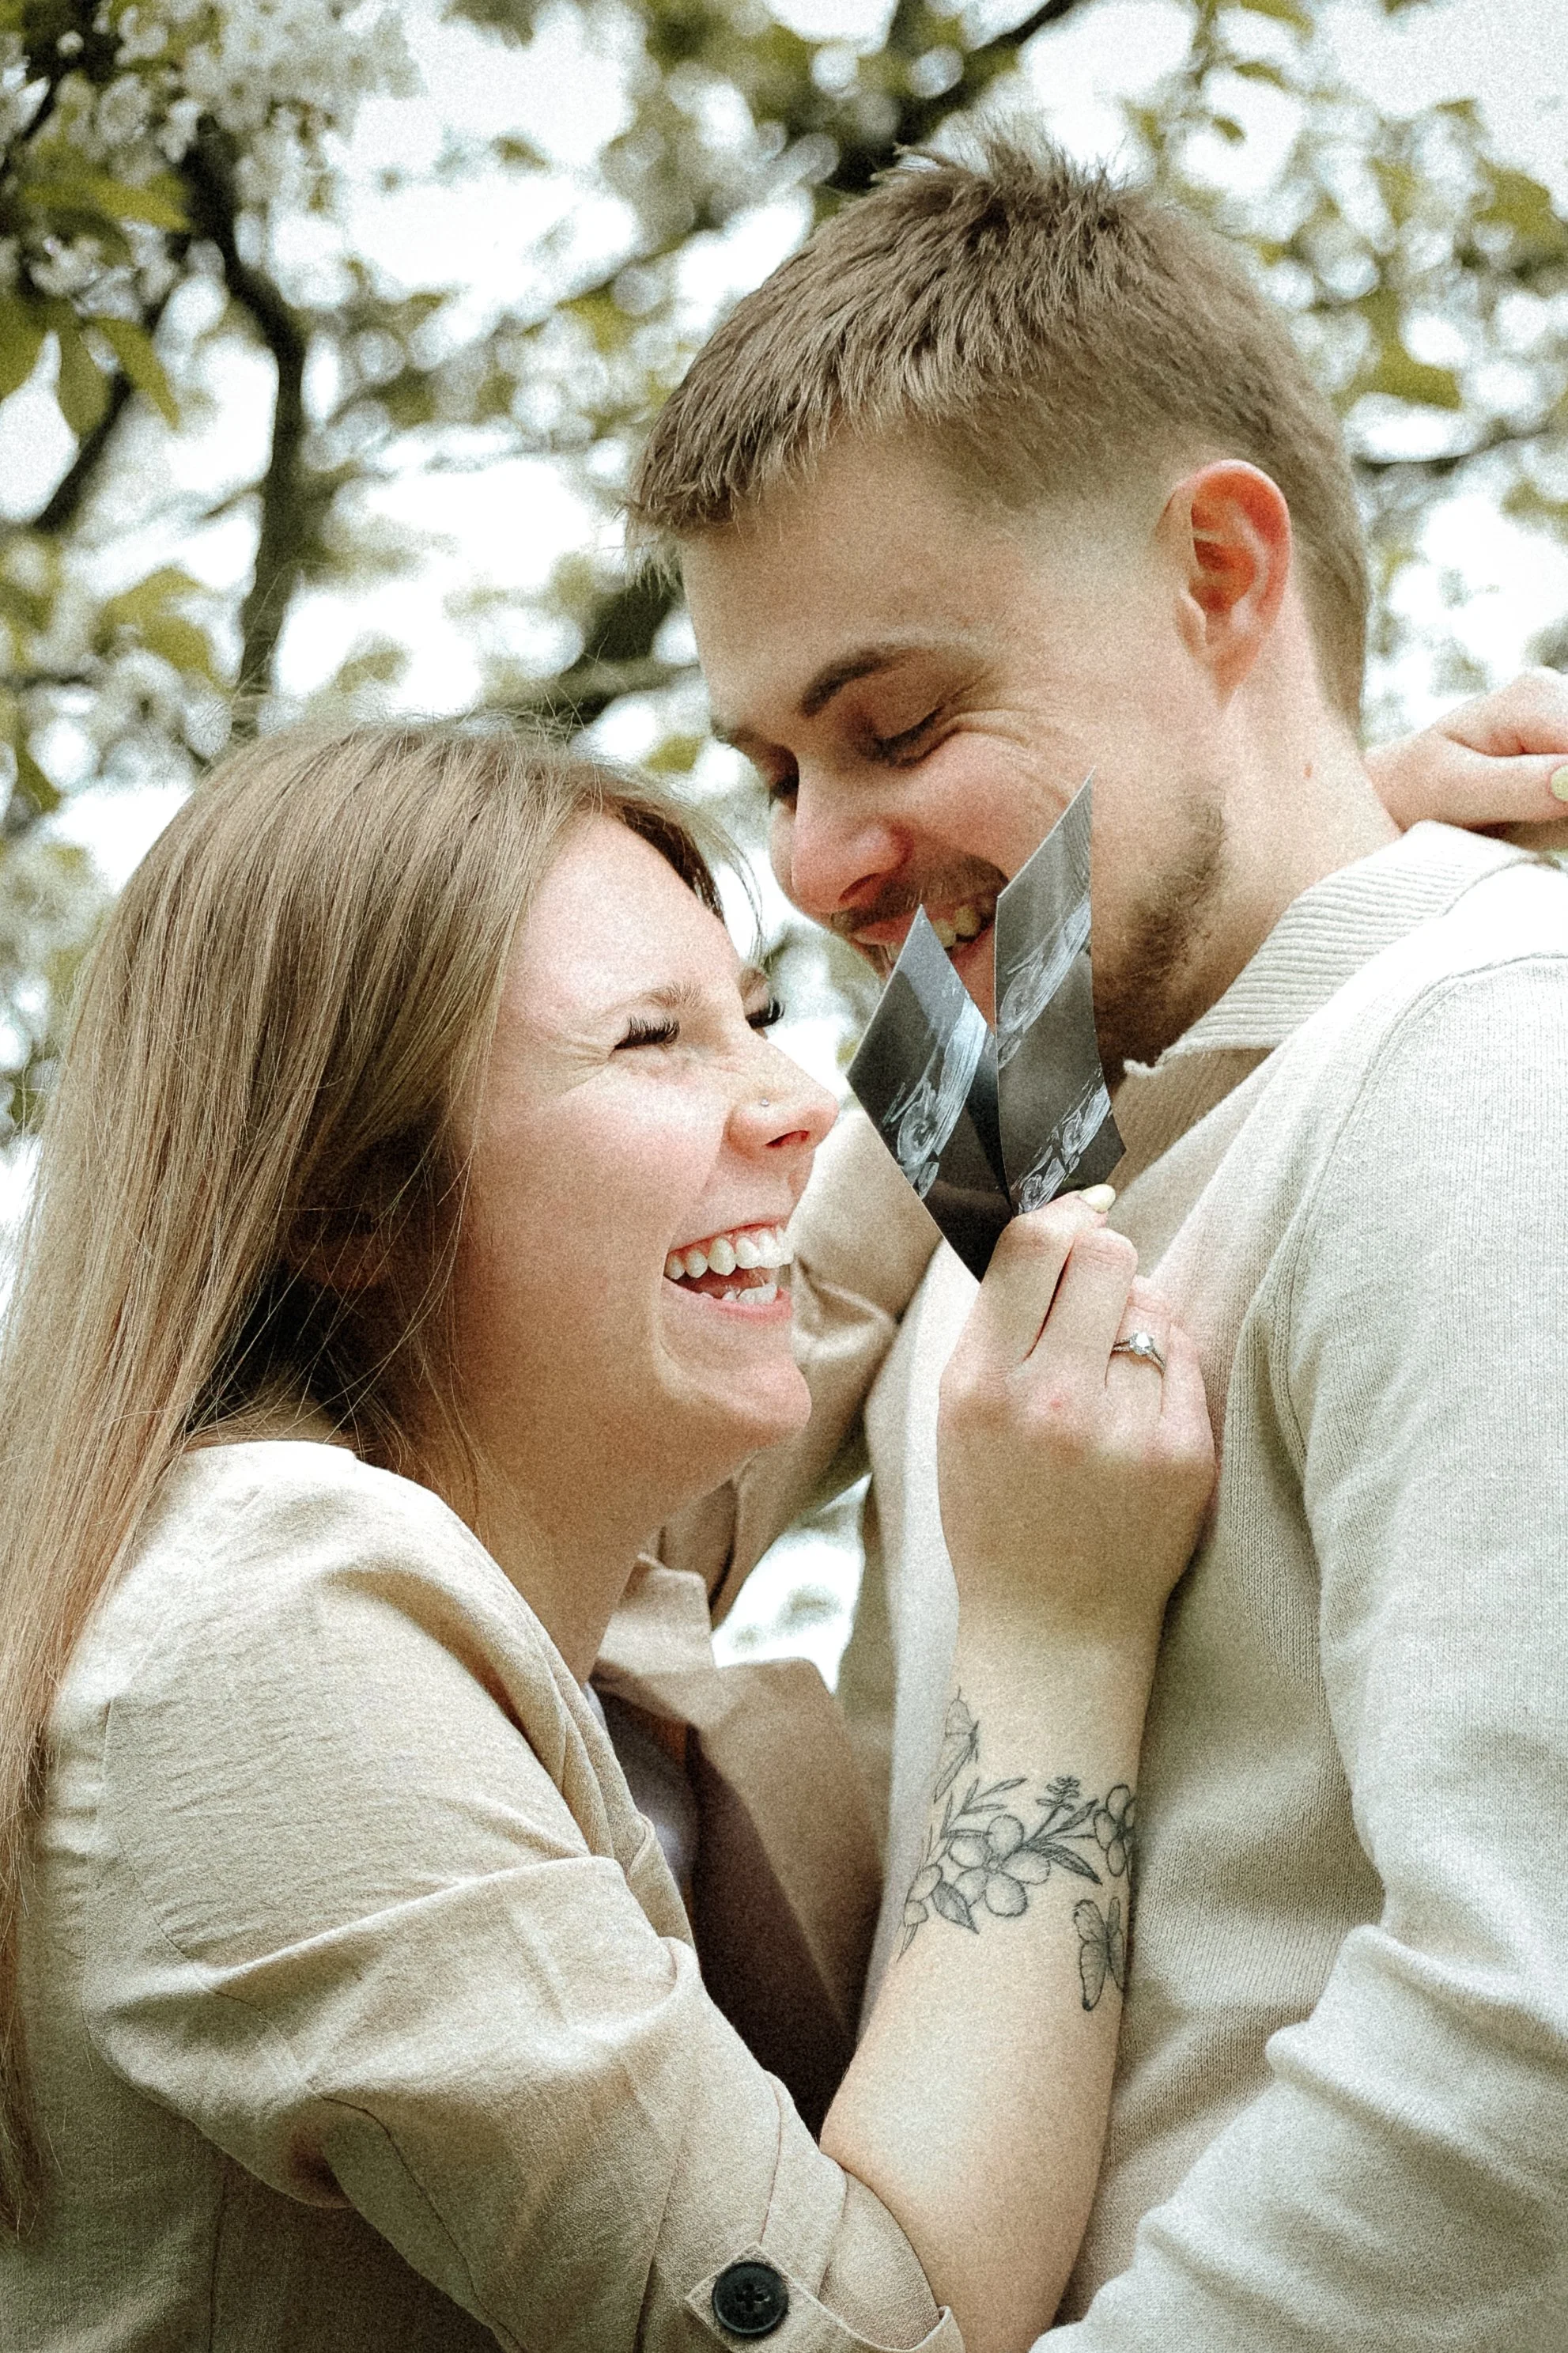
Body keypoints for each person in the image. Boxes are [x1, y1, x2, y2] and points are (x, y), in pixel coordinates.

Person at [629, 138, 1568, 2348]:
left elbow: (1529, 2031)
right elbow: (622, 1500)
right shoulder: (1047, 1135)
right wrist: (1317, 848)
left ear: (1216, 574)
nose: (809, 862)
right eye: (770, 763)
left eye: (892, 722)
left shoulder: (1479, 1081)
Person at [0, 721, 1215, 2353]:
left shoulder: (533, 1539)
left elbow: (832, 1256)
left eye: (764, 1019)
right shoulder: (268, 1634)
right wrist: (1056, 1630)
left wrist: (1246, 890)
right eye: (653, 1039)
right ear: (351, 1199)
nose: (792, 1099)